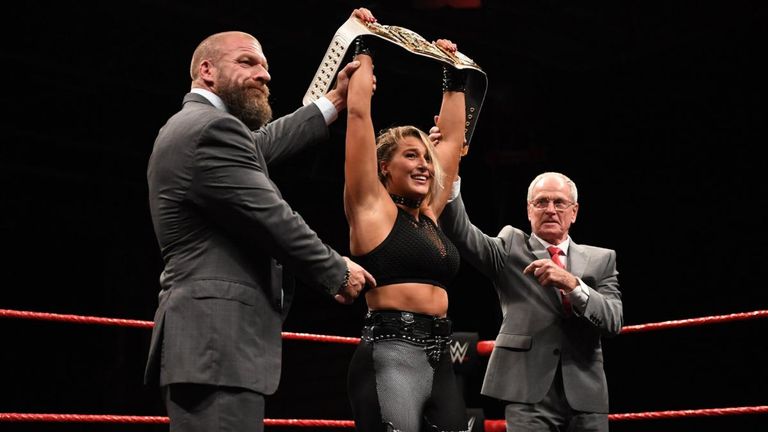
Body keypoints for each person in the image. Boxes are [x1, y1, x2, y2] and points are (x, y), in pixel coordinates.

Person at [144, 15, 376, 432]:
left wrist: (334, 102)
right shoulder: (210, 130)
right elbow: (272, 216)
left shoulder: (199, 127)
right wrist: (335, 269)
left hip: (209, 345)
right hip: (216, 343)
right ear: (207, 71)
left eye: (265, 65)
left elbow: (262, 144)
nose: (264, 74)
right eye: (248, 62)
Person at [342, 10, 471, 431]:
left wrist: (454, 75)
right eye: (410, 156)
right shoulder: (370, 208)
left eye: (424, 157)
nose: (424, 165)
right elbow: (359, 115)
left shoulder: (430, 213)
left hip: (441, 352)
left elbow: (451, 140)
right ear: (384, 169)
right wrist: (363, 42)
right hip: (390, 350)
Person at [435, 170, 623, 431]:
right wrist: (450, 175)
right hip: (528, 392)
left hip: (586, 393)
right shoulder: (511, 246)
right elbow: (462, 233)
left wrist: (572, 283)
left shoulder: (601, 260)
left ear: (574, 211)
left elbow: (614, 320)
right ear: (528, 209)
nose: (550, 209)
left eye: (559, 203)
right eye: (541, 202)